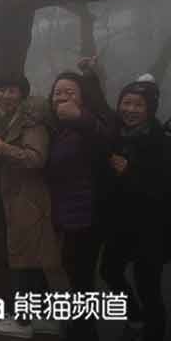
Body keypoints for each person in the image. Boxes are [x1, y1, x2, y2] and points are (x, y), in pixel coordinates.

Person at [0, 74, 65, 339]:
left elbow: (36, 158)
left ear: (22, 93)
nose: (5, 96)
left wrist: (2, 146)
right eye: (1, 90)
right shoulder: (16, 116)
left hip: (28, 198)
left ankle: (21, 322)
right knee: (33, 259)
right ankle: (42, 317)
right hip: (21, 197)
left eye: (11, 90)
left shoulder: (32, 121)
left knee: (21, 258)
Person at [44, 61, 115, 341]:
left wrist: (81, 116)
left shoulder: (92, 122)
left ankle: (85, 331)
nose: (61, 96)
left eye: (70, 92)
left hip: (89, 214)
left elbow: (108, 140)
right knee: (73, 272)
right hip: (65, 213)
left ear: (83, 96)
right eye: (57, 92)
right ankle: (79, 324)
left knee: (82, 276)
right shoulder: (57, 127)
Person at [100, 79, 169, 341]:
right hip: (121, 225)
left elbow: (161, 188)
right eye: (125, 103)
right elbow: (99, 107)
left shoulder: (160, 141)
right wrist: (95, 75)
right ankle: (134, 315)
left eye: (138, 105)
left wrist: (129, 171)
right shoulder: (117, 134)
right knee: (109, 270)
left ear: (149, 109)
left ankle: (154, 332)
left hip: (153, 228)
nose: (130, 109)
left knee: (148, 286)